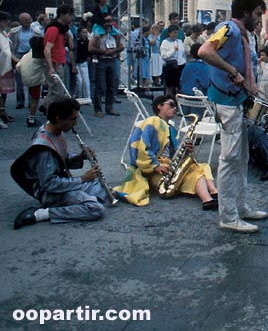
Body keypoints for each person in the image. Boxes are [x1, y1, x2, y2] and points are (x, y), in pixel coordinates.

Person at [198, 0, 268, 234]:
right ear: (246, 12)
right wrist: (232, 71)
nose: (260, 19)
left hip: (238, 100)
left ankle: (241, 206)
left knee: (242, 157)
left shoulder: (244, 34)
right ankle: (228, 216)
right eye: (258, 14)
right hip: (227, 102)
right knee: (229, 159)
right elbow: (205, 51)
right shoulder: (228, 29)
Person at [11, 97, 107, 229]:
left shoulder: (55, 131)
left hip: (63, 183)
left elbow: (62, 161)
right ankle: (42, 214)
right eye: (72, 119)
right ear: (58, 118)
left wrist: (80, 157)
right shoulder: (44, 149)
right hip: (51, 194)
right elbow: (49, 184)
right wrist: (82, 179)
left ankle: (81, 202)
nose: (76, 123)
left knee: (98, 183)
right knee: (96, 209)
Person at [114, 95, 218, 209]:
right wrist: (155, 165)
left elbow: (176, 154)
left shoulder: (171, 129)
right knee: (196, 173)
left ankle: (209, 197)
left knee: (201, 168)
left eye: (175, 107)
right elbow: (139, 145)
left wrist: (188, 151)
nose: (175, 109)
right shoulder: (152, 121)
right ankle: (208, 195)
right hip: (155, 169)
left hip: (169, 165)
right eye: (171, 105)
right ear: (160, 106)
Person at [88, 15, 123, 118]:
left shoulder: (115, 34)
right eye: (106, 22)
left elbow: (121, 46)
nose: (108, 24)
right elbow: (90, 49)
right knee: (100, 86)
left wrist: (114, 51)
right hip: (101, 60)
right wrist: (103, 52)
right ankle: (98, 109)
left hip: (112, 60)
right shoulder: (96, 34)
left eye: (110, 22)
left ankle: (109, 107)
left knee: (111, 85)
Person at [10, 12, 33, 109]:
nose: (28, 21)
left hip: (31, 55)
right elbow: (10, 45)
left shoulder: (35, 31)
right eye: (25, 20)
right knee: (19, 80)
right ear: (21, 21)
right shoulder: (14, 31)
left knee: (32, 79)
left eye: (29, 19)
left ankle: (31, 102)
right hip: (18, 55)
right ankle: (20, 101)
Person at [160, 24, 187, 97]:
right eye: (174, 33)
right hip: (170, 66)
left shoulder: (180, 41)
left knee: (179, 85)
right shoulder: (165, 42)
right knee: (170, 86)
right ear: (169, 33)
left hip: (180, 66)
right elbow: (164, 56)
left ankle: (179, 101)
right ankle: (169, 100)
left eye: (176, 33)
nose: (175, 35)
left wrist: (183, 61)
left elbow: (183, 54)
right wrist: (173, 50)